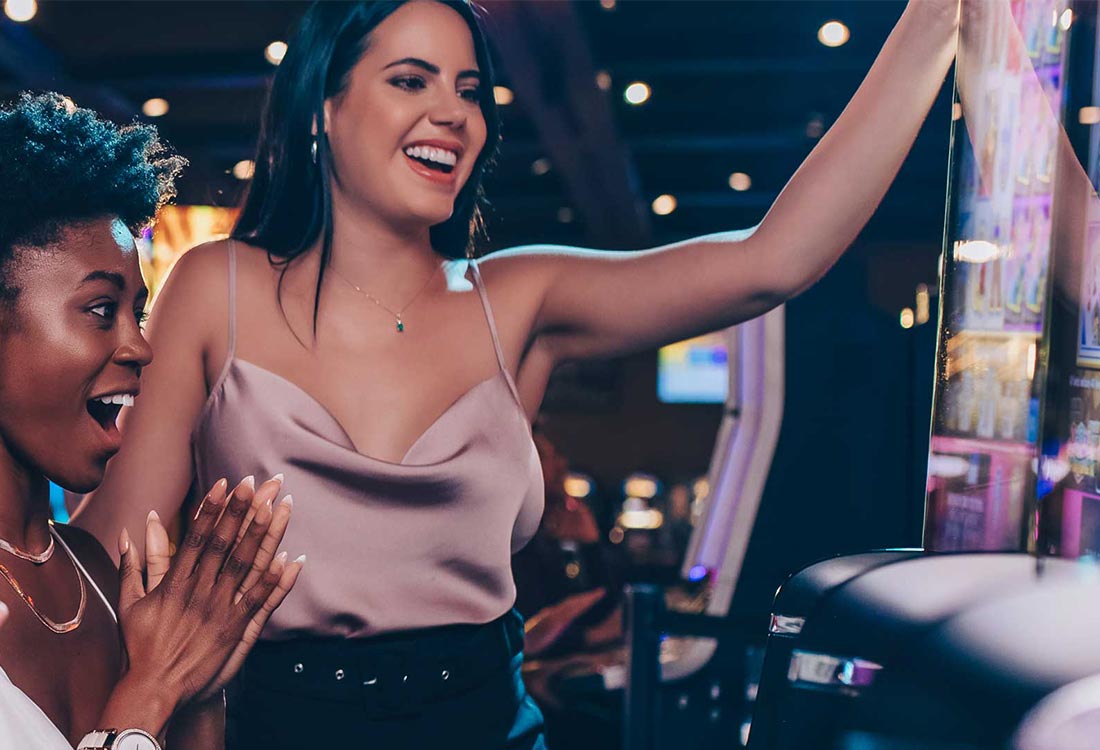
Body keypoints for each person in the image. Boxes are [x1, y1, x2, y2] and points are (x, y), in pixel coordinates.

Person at [73, 0, 960, 746]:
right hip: (281, 727)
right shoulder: (218, 286)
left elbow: (774, 262)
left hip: (487, 725)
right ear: (323, 108)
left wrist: (933, 23)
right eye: (411, 80)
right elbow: (110, 556)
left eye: (470, 90)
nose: (454, 114)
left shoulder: (518, 299)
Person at [0, 92, 303, 750]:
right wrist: (153, 688)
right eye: (101, 310)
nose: (140, 347)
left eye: (136, 313)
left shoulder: (97, 574)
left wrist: (197, 689)